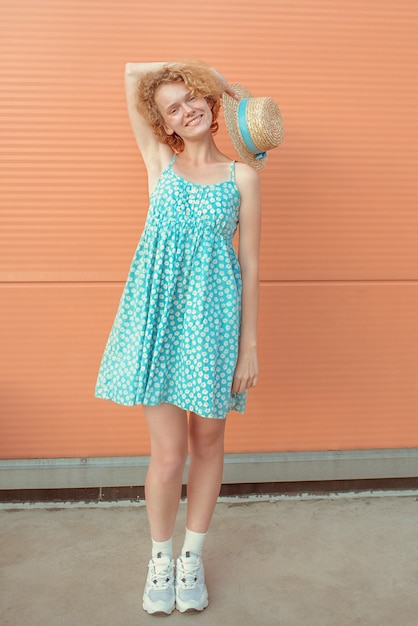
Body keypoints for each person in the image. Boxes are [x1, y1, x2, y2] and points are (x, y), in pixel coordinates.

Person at [95, 61, 262, 615]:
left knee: (207, 444)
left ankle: (193, 556)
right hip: (158, 322)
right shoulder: (159, 161)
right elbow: (130, 74)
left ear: (212, 107)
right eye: (174, 105)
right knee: (167, 455)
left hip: (213, 326)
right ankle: (160, 559)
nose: (188, 108)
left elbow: (252, 264)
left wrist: (249, 347)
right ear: (163, 122)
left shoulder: (243, 177)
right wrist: (208, 70)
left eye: (195, 97)